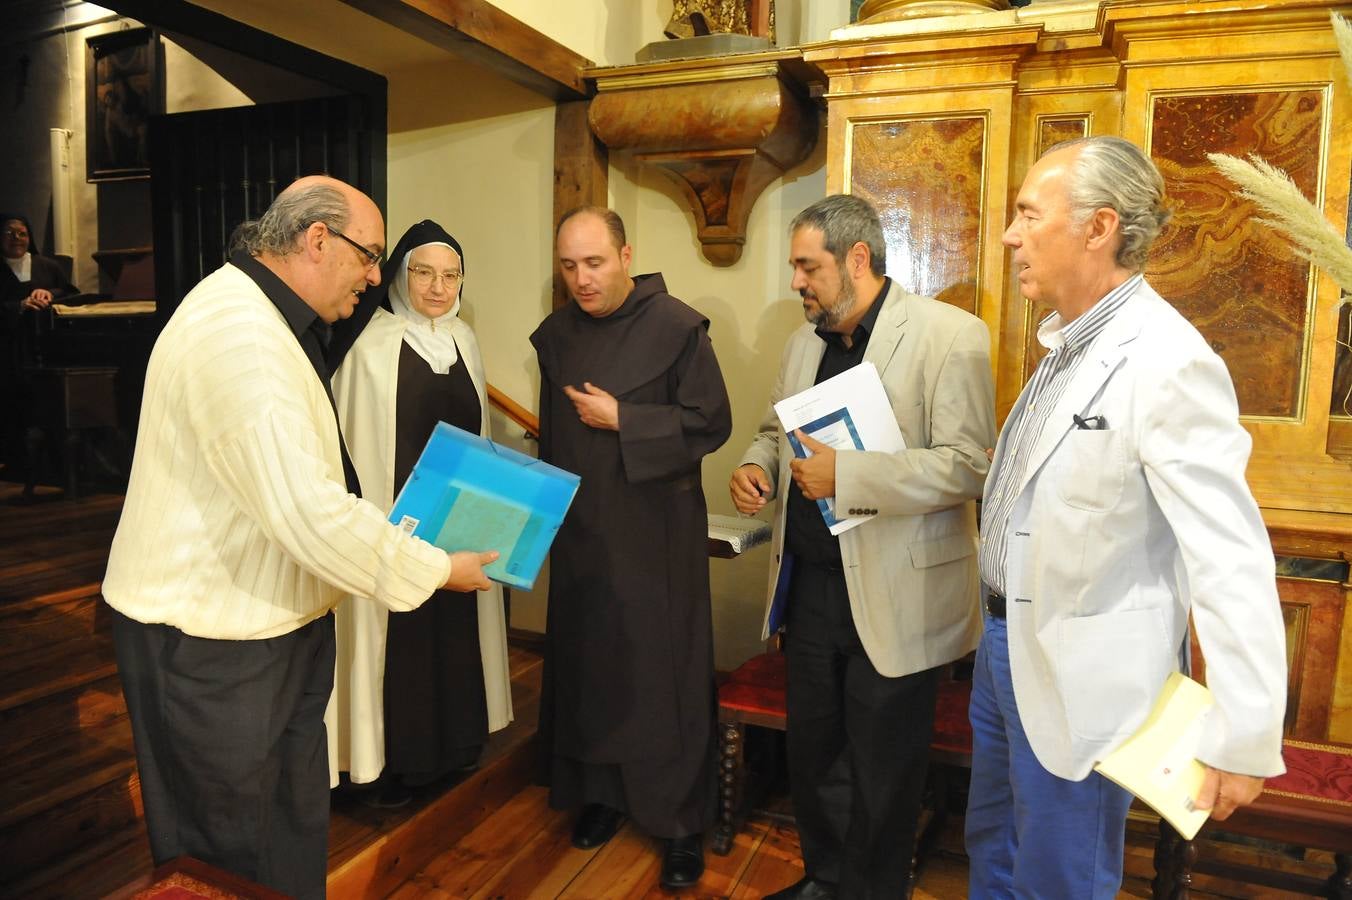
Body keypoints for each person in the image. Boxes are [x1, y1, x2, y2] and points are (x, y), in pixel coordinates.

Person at [102, 176, 498, 900]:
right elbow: (310, 511)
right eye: (371, 255)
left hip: (272, 625)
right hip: (211, 640)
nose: (379, 276)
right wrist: (438, 567)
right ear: (318, 240)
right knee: (224, 855)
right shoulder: (239, 337)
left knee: (286, 831)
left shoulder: (267, 317)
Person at [968, 135, 1288, 898]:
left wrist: (1245, 734)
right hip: (999, 650)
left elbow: (1230, 557)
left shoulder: (1169, 361)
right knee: (994, 851)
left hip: (1079, 676)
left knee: (1059, 879)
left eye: (1026, 214)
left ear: (1098, 227)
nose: (1010, 235)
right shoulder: (1061, 349)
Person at [730, 193, 995, 900]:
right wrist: (758, 464)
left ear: (856, 259)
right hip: (811, 587)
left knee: (884, 766)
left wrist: (849, 474)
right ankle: (824, 880)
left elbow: (969, 465)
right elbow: (770, 429)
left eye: (806, 266)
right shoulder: (802, 341)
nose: (796, 283)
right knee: (815, 753)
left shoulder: (950, 335)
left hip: (899, 591)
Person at [531, 206, 732, 890]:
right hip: (582, 532)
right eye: (568, 267)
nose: (581, 279)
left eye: (593, 263)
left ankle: (679, 825)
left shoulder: (676, 327)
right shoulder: (556, 336)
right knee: (591, 669)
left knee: (660, 678)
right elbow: (553, 439)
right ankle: (600, 797)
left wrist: (626, 419)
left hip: (656, 536)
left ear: (625, 255)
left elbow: (713, 421)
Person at [325, 219, 513, 805]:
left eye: (450, 275)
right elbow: (352, 440)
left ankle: (454, 745)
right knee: (396, 634)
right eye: (424, 273)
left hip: (453, 521)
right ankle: (389, 761)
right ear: (401, 276)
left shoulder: (465, 339)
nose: (438, 287)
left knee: (451, 629)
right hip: (390, 519)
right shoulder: (371, 344)